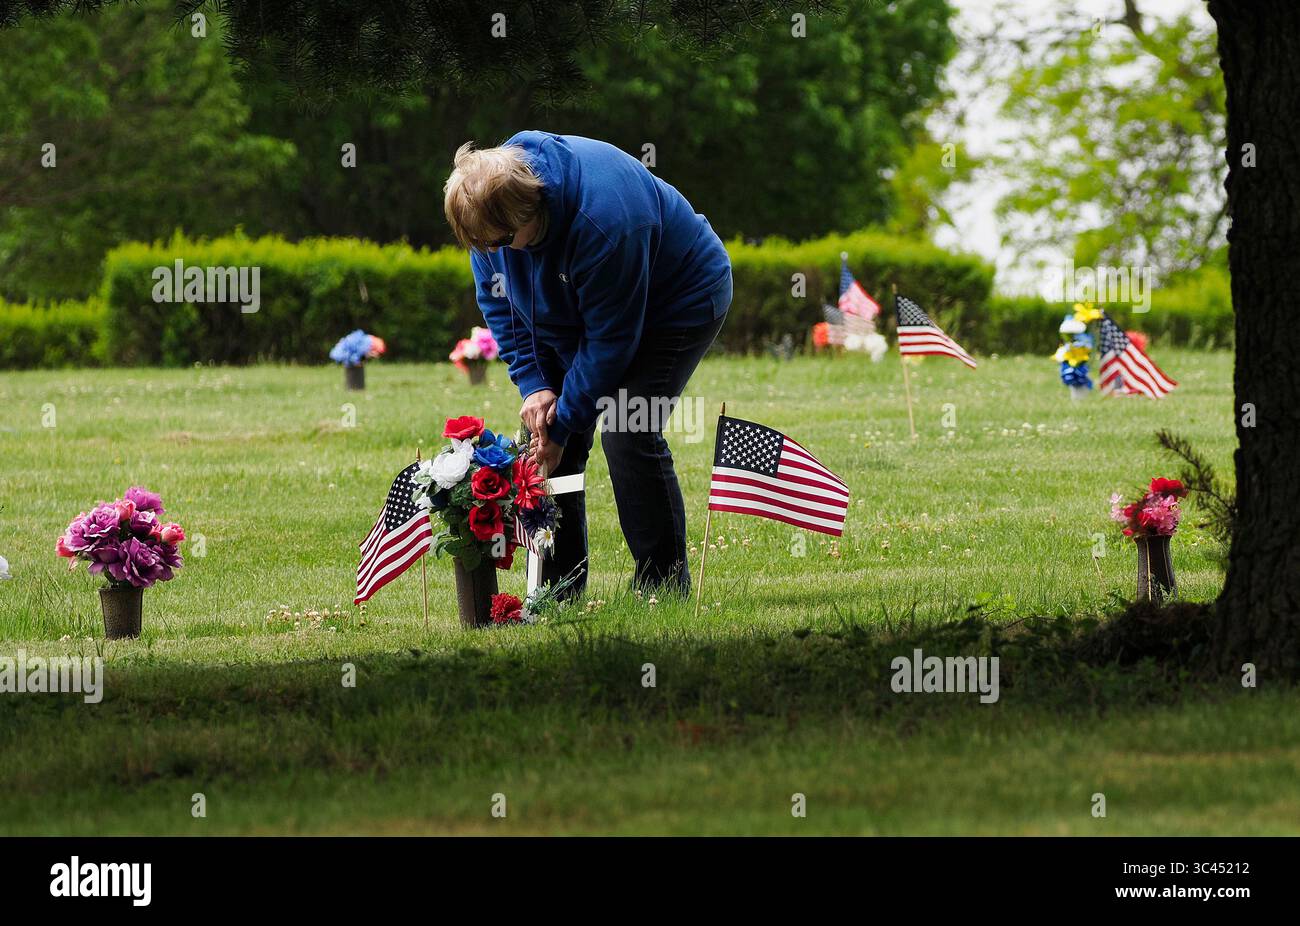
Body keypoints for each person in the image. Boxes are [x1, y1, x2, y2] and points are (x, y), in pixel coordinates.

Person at [444, 131, 732, 596]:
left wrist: (566, 426)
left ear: (528, 211)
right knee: (543, 437)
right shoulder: (492, 225)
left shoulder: (605, 221)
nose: (491, 253)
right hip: (585, 316)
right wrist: (536, 386)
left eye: (498, 242)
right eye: (482, 246)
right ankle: (561, 588)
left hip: (678, 301)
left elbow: (611, 342)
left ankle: (661, 585)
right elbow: (502, 306)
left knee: (627, 428)